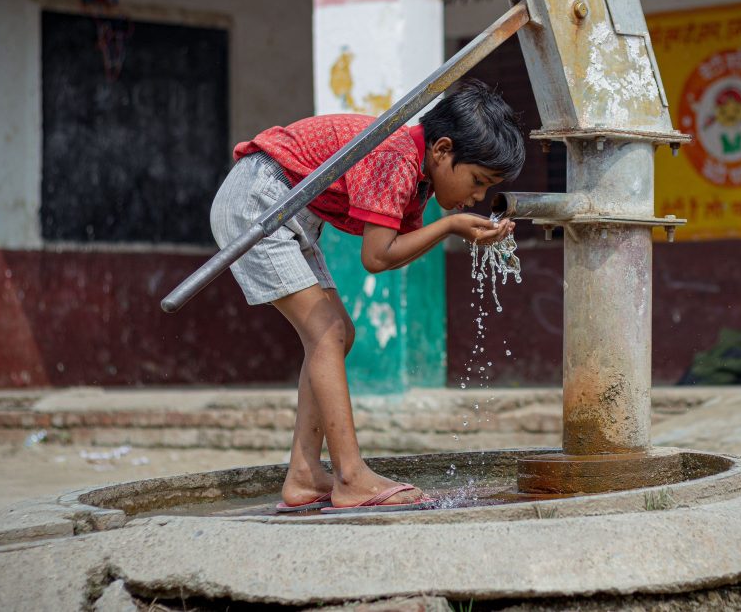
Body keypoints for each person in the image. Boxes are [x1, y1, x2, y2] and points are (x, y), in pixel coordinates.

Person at [210, 80, 524, 514]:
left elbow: (393, 251)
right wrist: (451, 227)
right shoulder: (396, 156)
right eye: (478, 181)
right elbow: (376, 258)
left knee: (340, 334)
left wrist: (455, 226)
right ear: (443, 150)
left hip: (290, 207)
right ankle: (351, 477)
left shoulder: (416, 174)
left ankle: (303, 476)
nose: (477, 196)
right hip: (260, 199)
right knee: (326, 332)